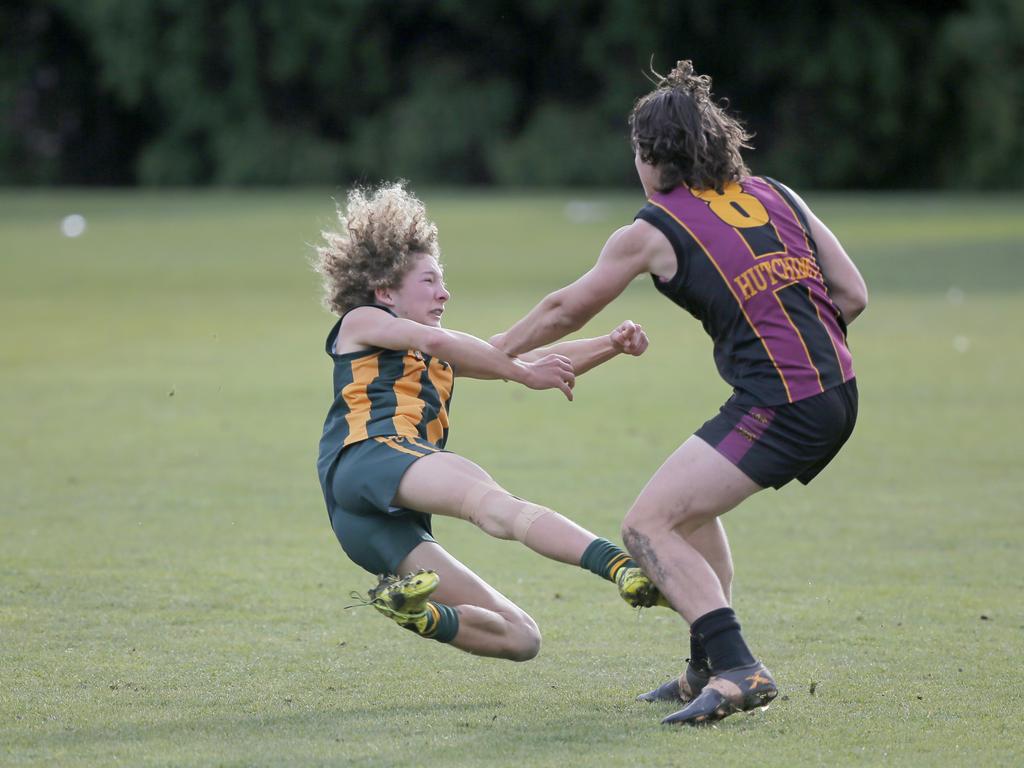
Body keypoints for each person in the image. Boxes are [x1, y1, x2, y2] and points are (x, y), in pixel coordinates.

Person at [491, 60, 867, 722]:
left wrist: (488, 355)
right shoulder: (778, 193)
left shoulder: (655, 227)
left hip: (782, 402)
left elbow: (563, 311)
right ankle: (703, 668)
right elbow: (852, 295)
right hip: (837, 388)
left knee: (646, 524)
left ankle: (740, 668)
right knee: (687, 511)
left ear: (648, 155)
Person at [314, 181, 665, 662]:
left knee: (521, 638)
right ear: (384, 291)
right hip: (371, 457)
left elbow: (509, 353)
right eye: (430, 281)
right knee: (496, 507)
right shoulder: (362, 321)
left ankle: (417, 613)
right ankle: (622, 566)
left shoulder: (434, 348)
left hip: (367, 522)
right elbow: (466, 349)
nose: (445, 292)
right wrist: (522, 374)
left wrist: (610, 344)